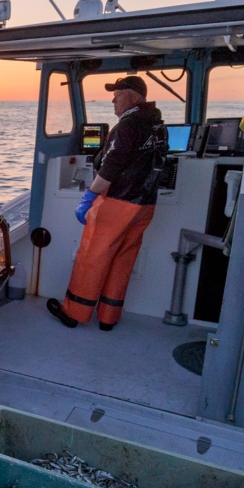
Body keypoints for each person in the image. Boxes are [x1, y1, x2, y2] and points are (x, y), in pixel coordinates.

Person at [47, 76, 168, 331]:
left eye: (119, 93)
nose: (113, 99)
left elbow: (112, 165)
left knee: (93, 256)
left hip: (118, 202)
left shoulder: (128, 124)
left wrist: (89, 196)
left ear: (134, 97)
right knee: (122, 259)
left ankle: (74, 313)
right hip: (145, 204)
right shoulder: (158, 124)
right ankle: (108, 318)